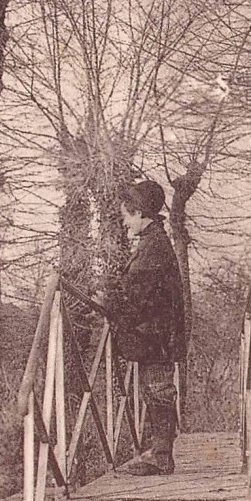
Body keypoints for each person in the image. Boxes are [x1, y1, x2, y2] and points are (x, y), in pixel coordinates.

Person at [101, 180, 186, 476]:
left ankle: (162, 457)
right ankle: (158, 453)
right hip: (156, 334)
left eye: (127, 214)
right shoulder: (153, 242)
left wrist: (109, 302)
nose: (124, 220)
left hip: (157, 335)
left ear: (140, 213)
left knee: (159, 391)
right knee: (155, 391)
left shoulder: (154, 247)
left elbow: (135, 295)